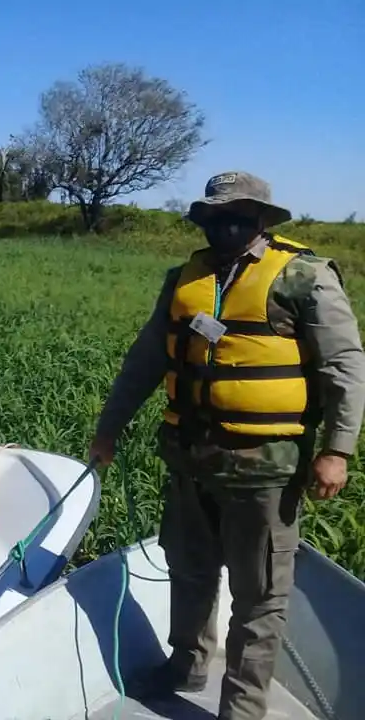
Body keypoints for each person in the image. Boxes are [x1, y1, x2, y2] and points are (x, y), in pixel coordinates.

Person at [88, 171, 365, 720]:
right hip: (191, 462)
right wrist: (109, 427)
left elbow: (344, 366)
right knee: (188, 571)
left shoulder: (303, 277)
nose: (226, 225)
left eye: (238, 215)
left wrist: (337, 450)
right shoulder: (184, 278)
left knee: (259, 598)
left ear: (263, 219)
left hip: (264, 470)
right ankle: (185, 664)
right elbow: (146, 360)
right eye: (216, 216)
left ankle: (241, 707)